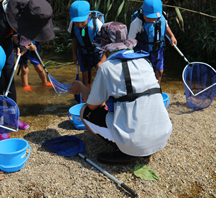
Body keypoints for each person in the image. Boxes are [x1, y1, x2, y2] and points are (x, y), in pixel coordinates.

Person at [69, 22, 172, 165]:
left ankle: (124, 151)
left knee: (84, 112)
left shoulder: (107, 68)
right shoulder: (145, 61)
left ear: (104, 48)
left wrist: (81, 86)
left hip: (135, 143)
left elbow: (92, 106)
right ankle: (139, 145)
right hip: (162, 135)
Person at [0, 0, 55, 141]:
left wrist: (20, 45)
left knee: (10, 81)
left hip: (4, 41)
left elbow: (20, 32)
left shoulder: (27, 10)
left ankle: (12, 118)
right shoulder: (1, 23)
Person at [128, 0, 177, 84]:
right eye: (148, 17)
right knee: (143, 73)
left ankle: (156, 89)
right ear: (143, 12)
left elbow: (165, 26)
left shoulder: (161, 17)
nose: (151, 19)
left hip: (158, 50)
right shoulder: (137, 22)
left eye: (154, 17)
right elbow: (130, 40)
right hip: (142, 51)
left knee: (160, 71)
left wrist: (172, 36)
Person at [68, 0, 103, 91]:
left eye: (82, 22)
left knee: (101, 79)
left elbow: (105, 44)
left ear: (89, 15)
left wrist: (102, 61)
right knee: (86, 79)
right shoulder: (72, 24)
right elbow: (74, 39)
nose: (79, 25)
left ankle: (100, 101)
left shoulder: (97, 24)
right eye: (76, 22)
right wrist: (74, 55)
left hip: (97, 54)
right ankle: (86, 100)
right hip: (83, 54)